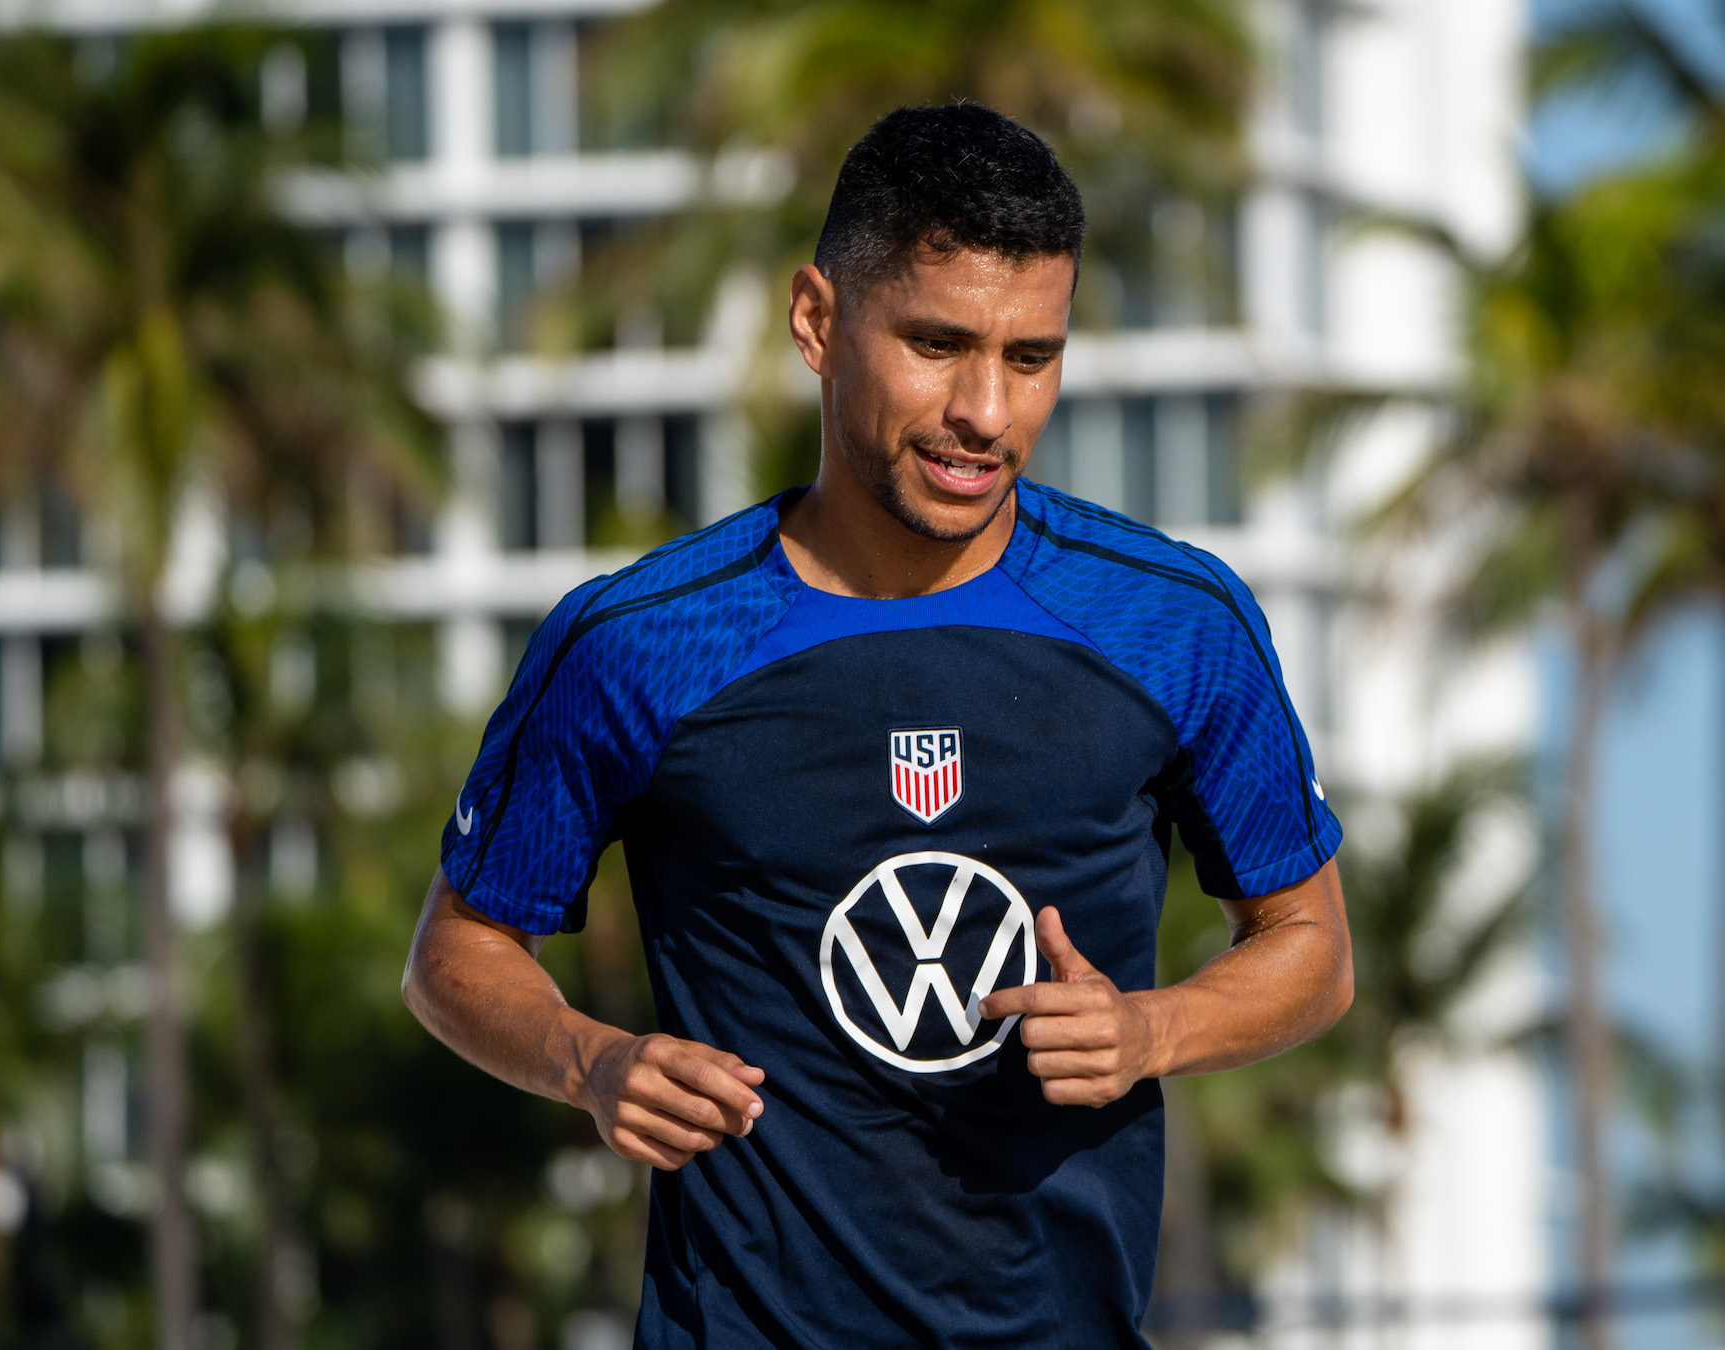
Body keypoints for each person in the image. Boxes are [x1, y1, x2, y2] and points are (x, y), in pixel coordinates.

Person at [401, 103, 1352, 1349]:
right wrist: (592, 1063)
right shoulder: (636, 642)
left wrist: (1149, 1029)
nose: (985, 412)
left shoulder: (1174, 623)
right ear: (818, 321)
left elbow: (1314, 948)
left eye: (1030, 357)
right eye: (936, 343)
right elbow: (456, 955)